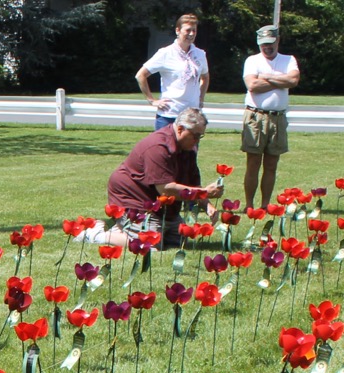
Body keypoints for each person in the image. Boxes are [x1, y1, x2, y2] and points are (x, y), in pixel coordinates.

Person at [77, 108, 223, 249]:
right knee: (149, 245)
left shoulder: (188, 148)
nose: (197, 140)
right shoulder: (157, 147)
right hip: (135, 199)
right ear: (180, 129)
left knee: (179, 241)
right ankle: (94, 234)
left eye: (200, 136)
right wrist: (204, 192)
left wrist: (207, 205)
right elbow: (166, 189)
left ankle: (123, 230)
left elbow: (192, 183)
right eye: (195, 135)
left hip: (161, 205)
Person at [241, 25, 300, 210]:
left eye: (270, 43)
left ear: (278, 40)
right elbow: (252, 85)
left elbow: (293, 81)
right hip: (256, 117)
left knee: (272, 164)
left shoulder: (289, 60)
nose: (267, 47)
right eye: (263, 44)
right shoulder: (252, 60)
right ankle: (250, 205)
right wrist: (280, 81)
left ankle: (265, 205)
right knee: (253, 164)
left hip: (278, 118)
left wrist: (266, 77)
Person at [135, 14, 209, 130]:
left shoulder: (200, 54)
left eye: (194, 31)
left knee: (189, 149)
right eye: (188, 30)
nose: (191, 34)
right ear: (178, 30)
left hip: (192, 116)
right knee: (165, 148)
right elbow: (141, 75)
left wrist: (200, 98)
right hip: (169, 114)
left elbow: (205, 76)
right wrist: (152, 100)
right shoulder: (166, 53)